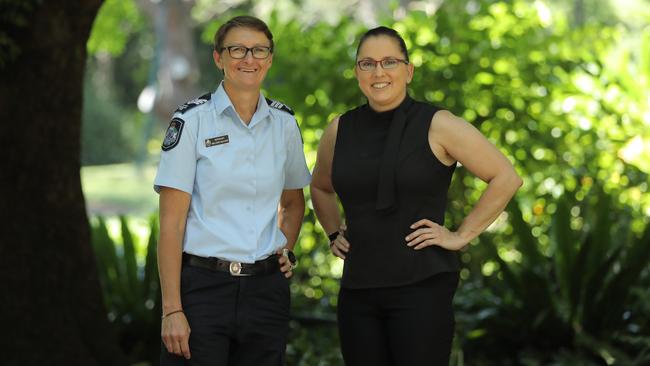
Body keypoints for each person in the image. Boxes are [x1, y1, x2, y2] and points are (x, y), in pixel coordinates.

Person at [310, 26, 522, 365]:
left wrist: (461, 235)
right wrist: (333, 232)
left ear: (408, 71)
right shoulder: (340, 130)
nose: (378, 72)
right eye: (367, 63)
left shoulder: (439, 124)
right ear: (357, 73)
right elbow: (320, 186)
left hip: (422, 288)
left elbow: (505, 177)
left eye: (389, 61)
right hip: (358, 291)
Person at [154, 15, 311, 366]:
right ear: (218, 58)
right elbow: (171, 225)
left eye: (259, 50)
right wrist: (172, 310)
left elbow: (293, 202)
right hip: (202, 291)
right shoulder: (191, 121)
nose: (249, 59)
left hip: (266, 293)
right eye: (237, 49)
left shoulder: (284, 124)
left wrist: (286, 249)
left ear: (270, 58)